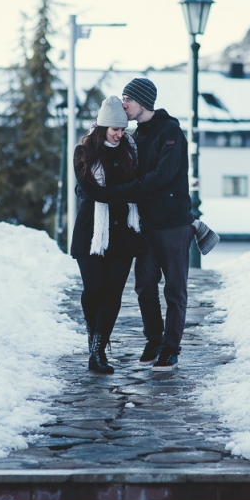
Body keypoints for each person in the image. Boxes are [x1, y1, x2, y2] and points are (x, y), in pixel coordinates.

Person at [121, 78, 193, 371]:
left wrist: (129, 190)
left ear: (143, 102)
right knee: (144, 286)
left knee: (175, 290)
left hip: (173, 223)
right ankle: (154, 339)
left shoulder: (171, 131)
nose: (124, 104)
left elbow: (163, 175)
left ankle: (171, 348)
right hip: (146, 224)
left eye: (128, 99)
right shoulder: (136, 136)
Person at [71, 95, 143, 374]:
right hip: (92, 233)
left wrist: (125, 193)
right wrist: (128, 192)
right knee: (94, 289)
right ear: (103, 126)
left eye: (123, 129)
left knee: (113, 293)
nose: (119, 134)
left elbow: (135, 187)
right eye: (115, 129)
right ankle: (94, 339)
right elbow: (92, 192)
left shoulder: (130, 151)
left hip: (123, 235)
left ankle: (98, 351)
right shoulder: (84, 151)